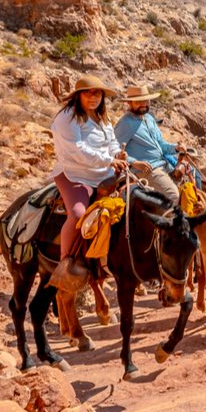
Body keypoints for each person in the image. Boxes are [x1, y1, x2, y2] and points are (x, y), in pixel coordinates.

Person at [49, 75, 127, 287]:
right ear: (78, 96)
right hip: (75, 174)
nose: (93, 97)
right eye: (88, 93)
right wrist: (109, 160)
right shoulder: (67, 118)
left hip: (104, 173)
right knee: (77, 214)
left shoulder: (102, 118)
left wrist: (118, 154)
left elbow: (111, 142)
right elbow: (76, 150)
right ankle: (67, 265)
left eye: (97, 93)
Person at [114, 84, 181, 204]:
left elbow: (161, 145)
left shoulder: (149, 118)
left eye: (146, 100)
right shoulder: (125, 123)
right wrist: (134, 162)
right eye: (138, 102)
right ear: (129, 103)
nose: (143, 104)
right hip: (148, 169)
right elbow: (114, 150)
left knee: (193, 180)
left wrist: (176, 148)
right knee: (173, 196)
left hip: (163, 164)